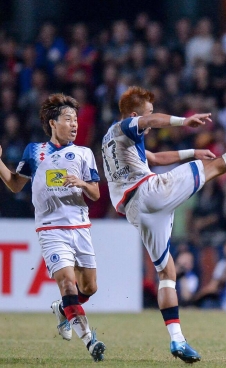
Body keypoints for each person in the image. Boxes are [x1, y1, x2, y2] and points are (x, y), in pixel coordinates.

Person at [101, 86, 226, 363]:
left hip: (136, 210)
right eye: (147, 114)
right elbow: (149, 122)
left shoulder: (110, 140)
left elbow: (155, 159)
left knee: (167, 272)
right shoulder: (126, 125)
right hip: (149, 193)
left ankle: (177, 340)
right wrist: (184, 121)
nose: (150, 118)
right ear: (134, 115)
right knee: (221, 165)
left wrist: (192, 151)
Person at [0, 94, 105, 362]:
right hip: (50, 229)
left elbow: (95, 193)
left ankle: (62, 309)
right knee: (67, 284)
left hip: (80, 227)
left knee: (89, 288)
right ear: (52, 122)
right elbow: (15, 184)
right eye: (68, 119)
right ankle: (90, 341)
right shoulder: (34, 151)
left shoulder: (83, 153)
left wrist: (81, 183)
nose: (74, 125)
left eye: (76, 120)